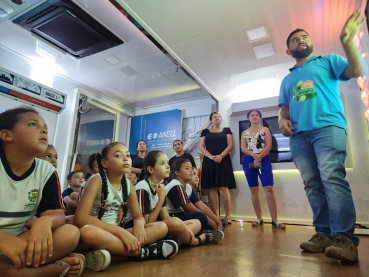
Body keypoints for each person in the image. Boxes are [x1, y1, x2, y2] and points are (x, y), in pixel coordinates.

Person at [278, 10, 366, 262]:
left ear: (311, 43)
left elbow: (357, 69)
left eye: (304, 37)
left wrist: (348, 42)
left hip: (328, 128)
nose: (300, 40)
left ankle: (345, 239)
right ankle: (324, 234)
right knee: (312, 184)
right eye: (295, 40)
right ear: (288, 50)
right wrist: (283, 119)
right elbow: (284, 108)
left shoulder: (327, 60)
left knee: (331, 178)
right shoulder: (287, 79)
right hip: (298, 138)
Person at [0, 107, 85, 277]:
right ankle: (42, 271)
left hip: (20, 240)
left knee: (70, 233)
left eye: (45, 126)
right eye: (33, 124)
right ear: (6, 135)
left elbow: (56, 213)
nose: (44, 130)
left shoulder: (46, 170)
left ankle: (14, 270)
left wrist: (44, 222)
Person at [74, 142, 179, 272]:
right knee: (88, 232)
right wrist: (121, 231)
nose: (125, 159)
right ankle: (141, 252)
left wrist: (139, 224)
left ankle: (110, 252)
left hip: (114, 236)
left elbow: (138, 216)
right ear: (105, 163)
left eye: (128, 155)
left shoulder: (128, 185)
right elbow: (80, 218)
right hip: (96, 233)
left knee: (161, 227)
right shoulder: (97, 180)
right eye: (118, 155)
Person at [127, 151, 222, 245]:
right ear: (151, 169)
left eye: (167, 163)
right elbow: (146, 223)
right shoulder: (143, 187)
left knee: (196, 223)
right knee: (166, 225)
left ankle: (174, 241)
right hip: (140, 227)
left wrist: (181, 227)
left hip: (157, 223)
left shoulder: (160, 188)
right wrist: (161, 199)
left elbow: (166, 217)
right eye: (162, 163)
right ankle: (194, 240)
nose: (168, 166)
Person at [241, 110, 285, 229]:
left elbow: (269, 146)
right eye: (252, 115)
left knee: (269, 188)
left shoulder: (265, 130)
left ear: (260, 117)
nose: (254, 117)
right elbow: (243, 148)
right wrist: (254, 156)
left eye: (256, 115)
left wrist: (259, 156)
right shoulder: (244, 132)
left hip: (264, 159)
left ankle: (275, 220)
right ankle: (259, 218)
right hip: (248, 160)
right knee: (254, 189)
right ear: (248, 118)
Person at [166, 159, 225, 240]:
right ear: (177, 172)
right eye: (187, 168)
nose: (191, 171)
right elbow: (190, 209)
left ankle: (203, 232)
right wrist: (214, 224)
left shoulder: (188, 187)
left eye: (191, 168)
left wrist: (217, 221)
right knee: (201, 216)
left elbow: (201, 206)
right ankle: (199, 234)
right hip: (171, 217)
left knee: (209, 220)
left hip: (179, 216)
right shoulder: (175, 185)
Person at [199, 111, 236, 224]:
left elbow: (230, 145)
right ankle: (216, 216)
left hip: (223, 160)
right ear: (211, 120)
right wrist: (211, 157)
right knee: (212, 188)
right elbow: (201, 147)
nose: (217, 118)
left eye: (219, 117)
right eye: (215, 117)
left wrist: (221, 155)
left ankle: (228, 216)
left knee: (223, 187)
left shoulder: (226, 130)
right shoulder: (205, 131)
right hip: (209, 161)